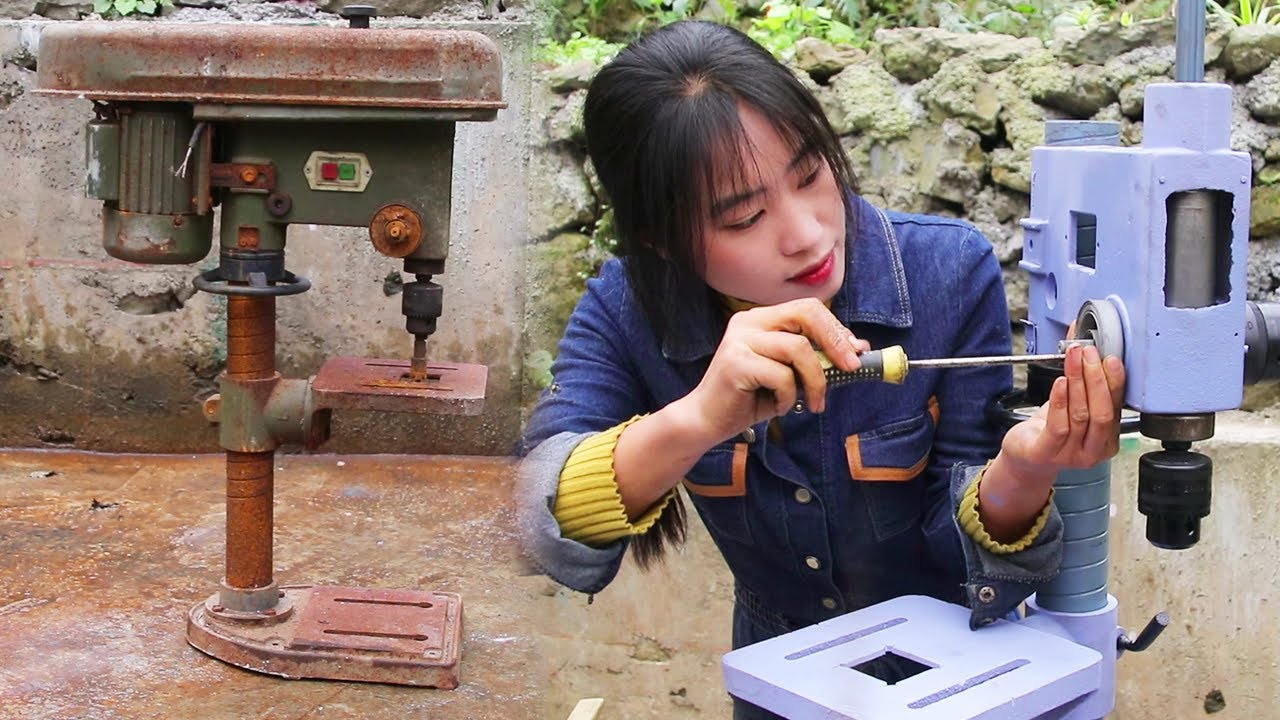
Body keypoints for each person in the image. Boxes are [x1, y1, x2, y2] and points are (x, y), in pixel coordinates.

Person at [516, 19, 1126, 720]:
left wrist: (1021, 474)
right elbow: (529, 519)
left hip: (966, 687)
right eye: (744, 218)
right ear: (659, 236)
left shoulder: (948, 271)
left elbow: (963, 554)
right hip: (780, 696)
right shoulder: (627, 311)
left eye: (810, 175)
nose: (808, 233)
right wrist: (697, 418)